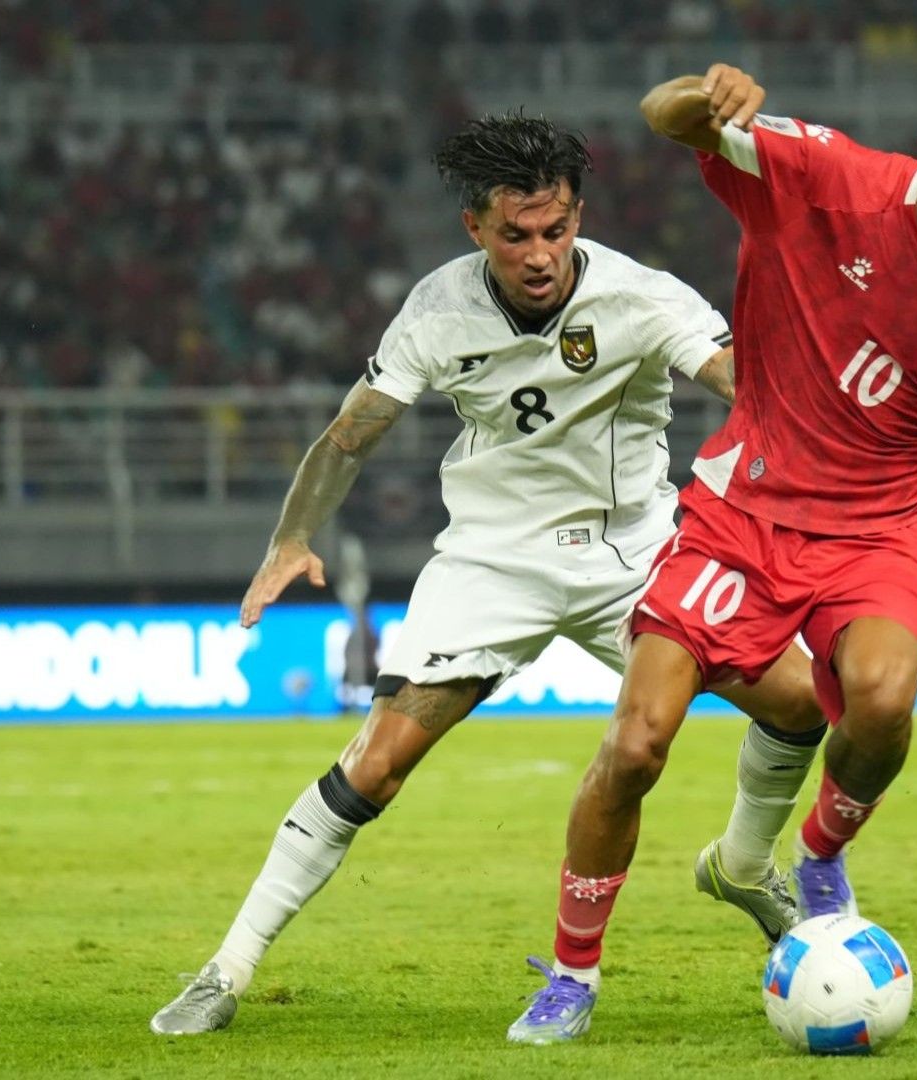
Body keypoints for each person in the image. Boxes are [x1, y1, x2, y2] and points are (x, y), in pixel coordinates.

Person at [150, 114, 826, 1037]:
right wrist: (291, 536)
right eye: (516, 235)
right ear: (476, 228)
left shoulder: (642, 297)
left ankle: (744, 864)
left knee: (804, 705)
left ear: (577, 216)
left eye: (555, 231)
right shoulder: (437, 310)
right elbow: (352, 433)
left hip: (638, 560)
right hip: (490, 561)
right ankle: (225, 971)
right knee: (374, 767)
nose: (540, 255)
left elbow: (744, 381)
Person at [509, 64, 917, 1044]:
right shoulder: (825, 174)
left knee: (886, 702)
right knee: (636, 743)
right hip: (745, 506)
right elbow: (661, 117)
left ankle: (813, 861)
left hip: (876, 527)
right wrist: (705, 93)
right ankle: (571, 972)